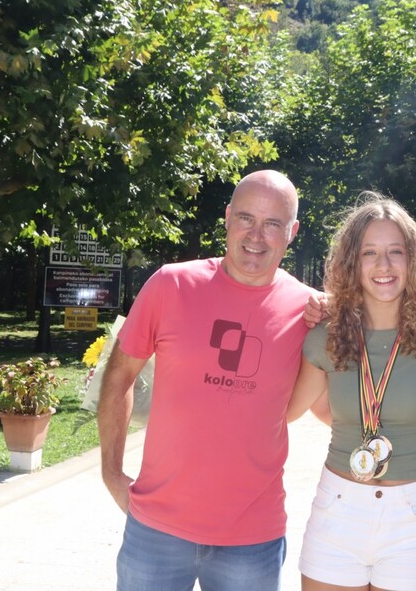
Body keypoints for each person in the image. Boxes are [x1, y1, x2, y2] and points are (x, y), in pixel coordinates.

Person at [97, 170, 315, 591]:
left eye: (273, 223)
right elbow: (120, 373)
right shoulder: (171, 283)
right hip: (156, 529)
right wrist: (111, 472)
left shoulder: (308, 310)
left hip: (253, 538)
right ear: (228, 217)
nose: (256, 235)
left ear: (292, 232)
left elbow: (327, 405)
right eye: (246, 218)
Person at [287, 193, 416, 591]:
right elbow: (282, 413)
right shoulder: (326, 335)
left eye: (396, 252)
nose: (384, 265)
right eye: (369, 253)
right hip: (337, 513)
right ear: (351, 262)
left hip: (413, 518)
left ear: (413, 260)